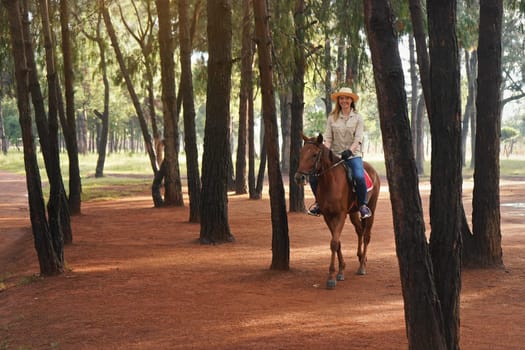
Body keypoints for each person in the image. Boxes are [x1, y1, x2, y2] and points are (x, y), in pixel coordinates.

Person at [307, 87, 372, 219]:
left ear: (351, 100)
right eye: (341, 98)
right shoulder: (332, 118)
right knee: (314, 177)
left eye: (347, 98)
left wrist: (350, 151)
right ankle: (319, 203)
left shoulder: (358, 118)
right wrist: (326, 151)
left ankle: (362, 205)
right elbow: (328, 139)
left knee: (359, 177)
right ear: (338, 101)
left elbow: (358, 138)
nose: (344, 101)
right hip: (334, 155)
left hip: (353, 155)